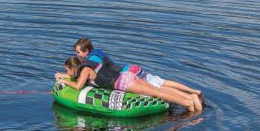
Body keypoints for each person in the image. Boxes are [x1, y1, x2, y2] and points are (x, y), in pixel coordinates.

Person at [56, 55, 203, 113]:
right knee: (157, 90)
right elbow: (78, 78)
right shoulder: (88, 65)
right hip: (126, 77)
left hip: (124, 83)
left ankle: (188, 102)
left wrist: (64, 81)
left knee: (157, 92)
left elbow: (78, 86)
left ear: (73, 68)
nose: (67, 73)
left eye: (67, 70)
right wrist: (64, 76)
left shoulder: (85, 71)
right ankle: (190, 98)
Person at [73, 37, 203, 101]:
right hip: (132, 69)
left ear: (87, 51)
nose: (77, 55)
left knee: (158, 88)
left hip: (127, 73)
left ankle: (189, 97)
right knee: (161, 82)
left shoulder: (93, 59)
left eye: (78, 52)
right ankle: (193, 92)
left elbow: (91, 68)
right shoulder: (98, 51)